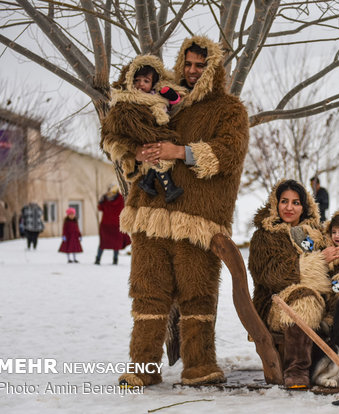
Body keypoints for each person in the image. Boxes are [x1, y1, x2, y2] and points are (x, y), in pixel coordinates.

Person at [101, 36, 249, 387]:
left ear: (212, 68)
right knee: (147, 292)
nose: (193, 71)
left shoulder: (228, 109)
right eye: (188, 63)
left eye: (200, 65)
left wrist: (178, 151)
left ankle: (199, 367)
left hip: (195, 219)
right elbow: (120, 138)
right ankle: (143, 369)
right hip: (150, 213)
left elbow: (229, 153)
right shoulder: (163, 99)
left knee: (197, 293)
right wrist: (135, 155)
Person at [248, 179, 339, 389]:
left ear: (305, 206)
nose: (289, 208)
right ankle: (297, 370)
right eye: (284, 201)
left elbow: (338, 264)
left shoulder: (316, 234)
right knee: (305, 300)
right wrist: (317, 262)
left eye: (296, 202)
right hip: (277, 305)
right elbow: (271, 275)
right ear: (275, 204)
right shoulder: (264, 236)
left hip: (321, 302)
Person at [108, 55, 186, 203]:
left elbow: (172, 107)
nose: (140, 84)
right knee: (155, 157)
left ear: (153, 83)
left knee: (157, 156)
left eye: (146, 81)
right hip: (143, 138)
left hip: (160, 134)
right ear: (130, 80)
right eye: (137, 80)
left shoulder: (156, 96)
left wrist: (172, 97)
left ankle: (152, 183)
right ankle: (166, 187)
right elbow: (116, 133)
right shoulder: (126, 100)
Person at [95, 184, 130, 265]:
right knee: (116, 243)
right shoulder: (121, 199)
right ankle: (115, 260)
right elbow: (124, 209)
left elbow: (100, 208)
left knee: (103, 243)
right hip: (116, 224)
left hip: (105, 224)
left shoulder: (105, 198)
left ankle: (98, 259)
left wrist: (101, 202)